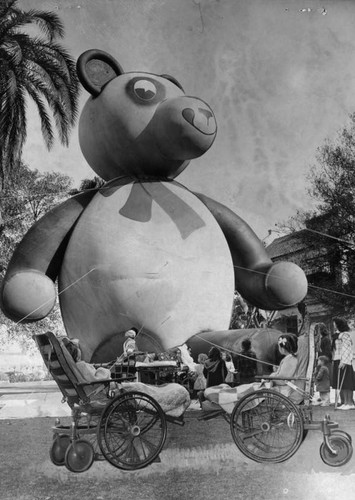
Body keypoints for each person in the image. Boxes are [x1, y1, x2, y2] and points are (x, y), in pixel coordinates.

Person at [331, 317, 355, 410]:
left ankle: (349, 403)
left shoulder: (345, 335)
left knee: (346, 382)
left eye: (335, 324)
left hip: (344, 361)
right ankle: (345, 402)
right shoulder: (338, 335)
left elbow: (346, 348)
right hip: (338, 359)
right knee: (341, 382)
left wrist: (344, 361)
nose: (334, 325)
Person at [269, 334, 298, 400]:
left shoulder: (289, 360)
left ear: (282, 348)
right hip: (286, 387)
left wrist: (271, 376)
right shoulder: (291, 358)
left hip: (284, 390)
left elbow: (282, 380)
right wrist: (278, 370)